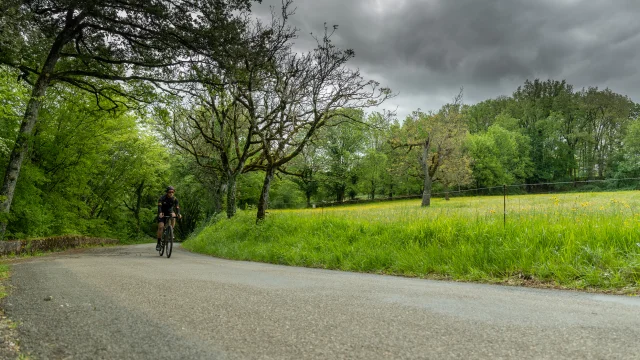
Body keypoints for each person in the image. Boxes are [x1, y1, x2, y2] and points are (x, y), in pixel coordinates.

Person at [157, 186, 181, 250]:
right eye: (169, 192)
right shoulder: (162, 198)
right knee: (161, 227)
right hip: (162, 213)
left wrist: (178, 213)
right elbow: (159, 207)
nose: (171, 193)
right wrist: (160, 213)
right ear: (167, 192)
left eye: (172, 192)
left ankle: (171, 230)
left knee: (174, 215)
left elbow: (177, 207)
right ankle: (158, 243)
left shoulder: (175, 199)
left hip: (169, 212)